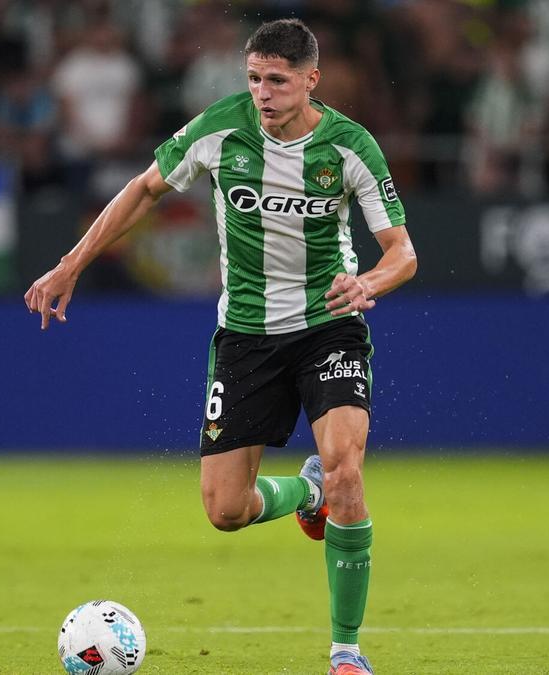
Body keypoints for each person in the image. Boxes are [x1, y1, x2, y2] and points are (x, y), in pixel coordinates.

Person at [25, 19, 417, 675]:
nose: (263, 93)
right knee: (225, 509)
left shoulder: (350, 147)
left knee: (348, 468)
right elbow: (144, 189)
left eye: (278, 80)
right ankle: (306, 494)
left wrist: (368, 281)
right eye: (255, 78)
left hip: (329, 325)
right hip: (246, 335)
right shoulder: (220, 128)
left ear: (311, 80)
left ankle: (346, 651)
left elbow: (402, 252)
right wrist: (71, 263)